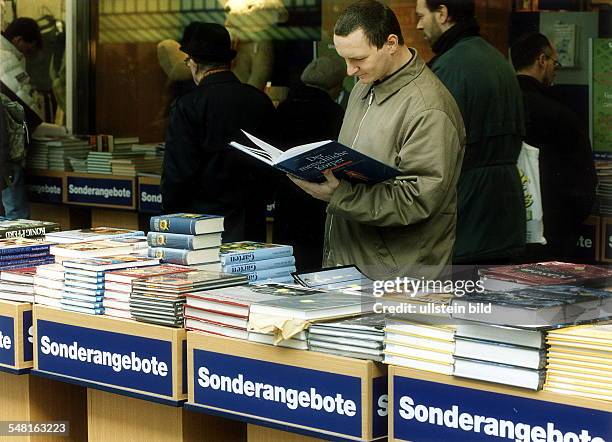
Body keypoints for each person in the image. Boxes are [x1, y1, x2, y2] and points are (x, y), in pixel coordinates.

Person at [290, 0, 466, 281]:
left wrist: (339, 195)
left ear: (391, 43)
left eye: (358, 59)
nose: (350, 71)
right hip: (351, 264)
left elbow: (418, 199)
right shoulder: (364, 87)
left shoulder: (428, 108)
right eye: (344, 59)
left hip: (398, 277)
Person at [415, 0, 526, 265]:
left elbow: (433, 148)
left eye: (421, 16)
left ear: (442, 14)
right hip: (505, 216)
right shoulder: (497, 60)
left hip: (465, 218)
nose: (418, 24)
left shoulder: (449, 67)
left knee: (460, 304)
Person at [161, 22, 276, 243]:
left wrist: (171, 216)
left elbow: (178, 174)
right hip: (251, 221)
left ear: (193, 63)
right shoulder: (259, 101)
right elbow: (273, 163)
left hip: (201, 226)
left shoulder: (188, 105)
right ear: (229, 61)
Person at [510, 32, 597, 261]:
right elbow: (584, 182)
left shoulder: (496, 107)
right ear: (541, 60)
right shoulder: (561, 114)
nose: (555, 68)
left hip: (503, 230)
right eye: (554, 62)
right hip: (553, 234)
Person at [273, 56, 346, 270]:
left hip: (286, 197)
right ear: (335, 86)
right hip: (320, 199)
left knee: (287, 263)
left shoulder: (285, 108)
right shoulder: (334, 112)